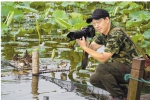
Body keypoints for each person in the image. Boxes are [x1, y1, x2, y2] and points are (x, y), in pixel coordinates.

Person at [76, 9, 138, 100]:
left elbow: (103, 58)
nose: (96, 26)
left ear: (107, 20)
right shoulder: (104, 34)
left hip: (133, 70)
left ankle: (118, 96)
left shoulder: (116, 34)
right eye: (94, 24)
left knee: (101, 68)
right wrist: (84, 40)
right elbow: (92, 48)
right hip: (123, 69)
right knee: (94, 79)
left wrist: (84, 48)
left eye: (98, 22)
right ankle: (123, 93)